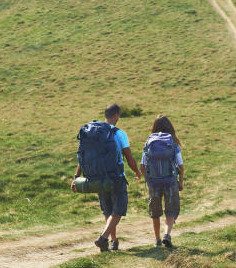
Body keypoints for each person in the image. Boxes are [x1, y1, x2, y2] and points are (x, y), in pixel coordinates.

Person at [71, 103, 142, 252]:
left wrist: (76, 177)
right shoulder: (118, 133)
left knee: (107, 210)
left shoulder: (93, 134)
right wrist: (137, 171)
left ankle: (113, 241)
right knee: (118, 210)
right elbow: (128, 157)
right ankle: (103, 238)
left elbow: (82, 157)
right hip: (116, 177)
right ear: (116, 115)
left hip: (97, 177)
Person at [140, 114, 184, 248]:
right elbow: (181, 166)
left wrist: (149, 180)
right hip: (170, 181)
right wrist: (180, 181)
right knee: (171, 210)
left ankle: (157, 240)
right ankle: (167, 235)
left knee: (155, 212)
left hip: (154, 182)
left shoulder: (149, 141)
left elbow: (142, 166)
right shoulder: (173, 142)